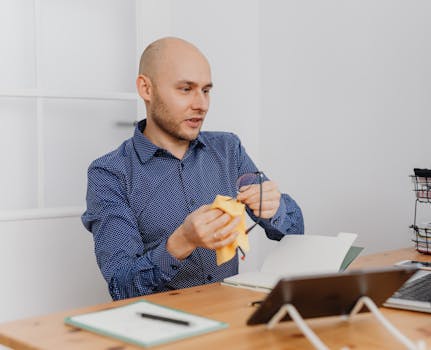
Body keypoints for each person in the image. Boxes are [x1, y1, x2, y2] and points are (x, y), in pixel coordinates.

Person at [81, 37, 304, 300]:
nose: (202, 105)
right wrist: (182, 242)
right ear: (146, 89)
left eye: (206, 90)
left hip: (229, 318)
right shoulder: (110, 174)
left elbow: (294, 230)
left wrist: (275, 209)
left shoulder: (228, 149)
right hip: (162, 330)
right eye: (186, 89)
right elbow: (122, 285)